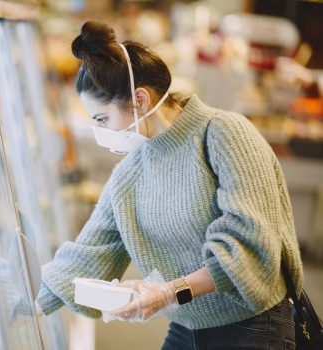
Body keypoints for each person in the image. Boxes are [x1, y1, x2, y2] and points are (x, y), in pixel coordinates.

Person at [35, 21, 303, 349]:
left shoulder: (223, 134)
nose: (99, 133)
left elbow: (249, 246)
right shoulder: (129, 173)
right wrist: (19, 299)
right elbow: (90, 253)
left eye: (101, 120)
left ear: (140, 100)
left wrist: (167, 292)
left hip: (252, 326)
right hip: (185, 328)